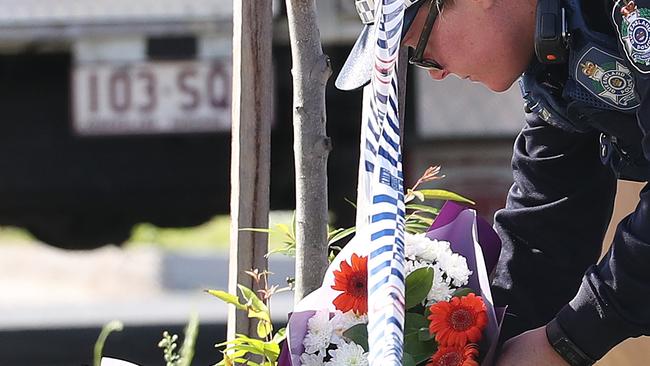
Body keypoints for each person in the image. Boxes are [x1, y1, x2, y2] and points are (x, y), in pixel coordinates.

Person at [335, 0, 650, 365]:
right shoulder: (554, 60)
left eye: (420, 46)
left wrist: (568, 339)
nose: (434, 72)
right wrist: (477, 345)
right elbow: (546, 230)